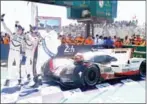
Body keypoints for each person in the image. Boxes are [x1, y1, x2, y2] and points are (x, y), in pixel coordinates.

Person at [1, 14, 25, 86]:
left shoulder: (22, 38)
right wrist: (2, 21)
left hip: (17, 53)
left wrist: (22, 53)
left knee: (18, 66)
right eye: (18, 29)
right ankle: (8, 79)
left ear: (21, 31)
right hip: (11, 52)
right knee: (10, 66)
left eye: (20, 30)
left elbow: (23, 46)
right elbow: (6, 28)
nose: (18, 30)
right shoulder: (12, 35)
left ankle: (19, 79)